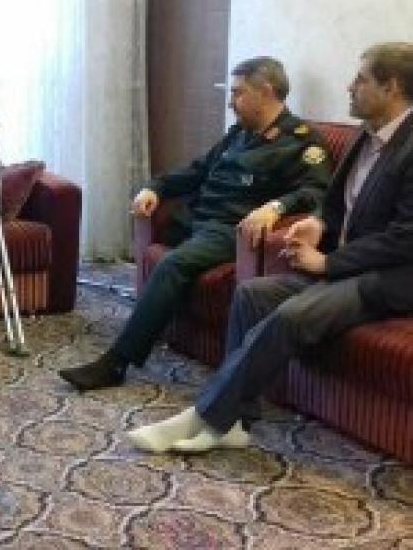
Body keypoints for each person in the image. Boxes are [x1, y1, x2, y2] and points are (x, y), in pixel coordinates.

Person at [126, 42, 413, 453]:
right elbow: (333, 204)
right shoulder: (366, 137)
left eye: (361, 79)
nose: (350, 86)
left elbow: (405, 238)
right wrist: (317, 224)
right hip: (346, 267)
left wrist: (328, 263)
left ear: (392, 87)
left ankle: (207, 415)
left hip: (386, 280)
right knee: (251, 294)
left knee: (292, 316)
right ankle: (236, 422)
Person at [60, 56, 331, 391]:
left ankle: (116, 363)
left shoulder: (302, 142)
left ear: (266, 92)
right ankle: (155, 325)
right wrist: (155, 187)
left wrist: (277, 207)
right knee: (161, 247)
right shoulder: (240, 133)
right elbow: (198, 170)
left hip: (229, 229)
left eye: (238, 93)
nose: (231, 102)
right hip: (197, 218)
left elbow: (317, 192)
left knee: (174, 264)